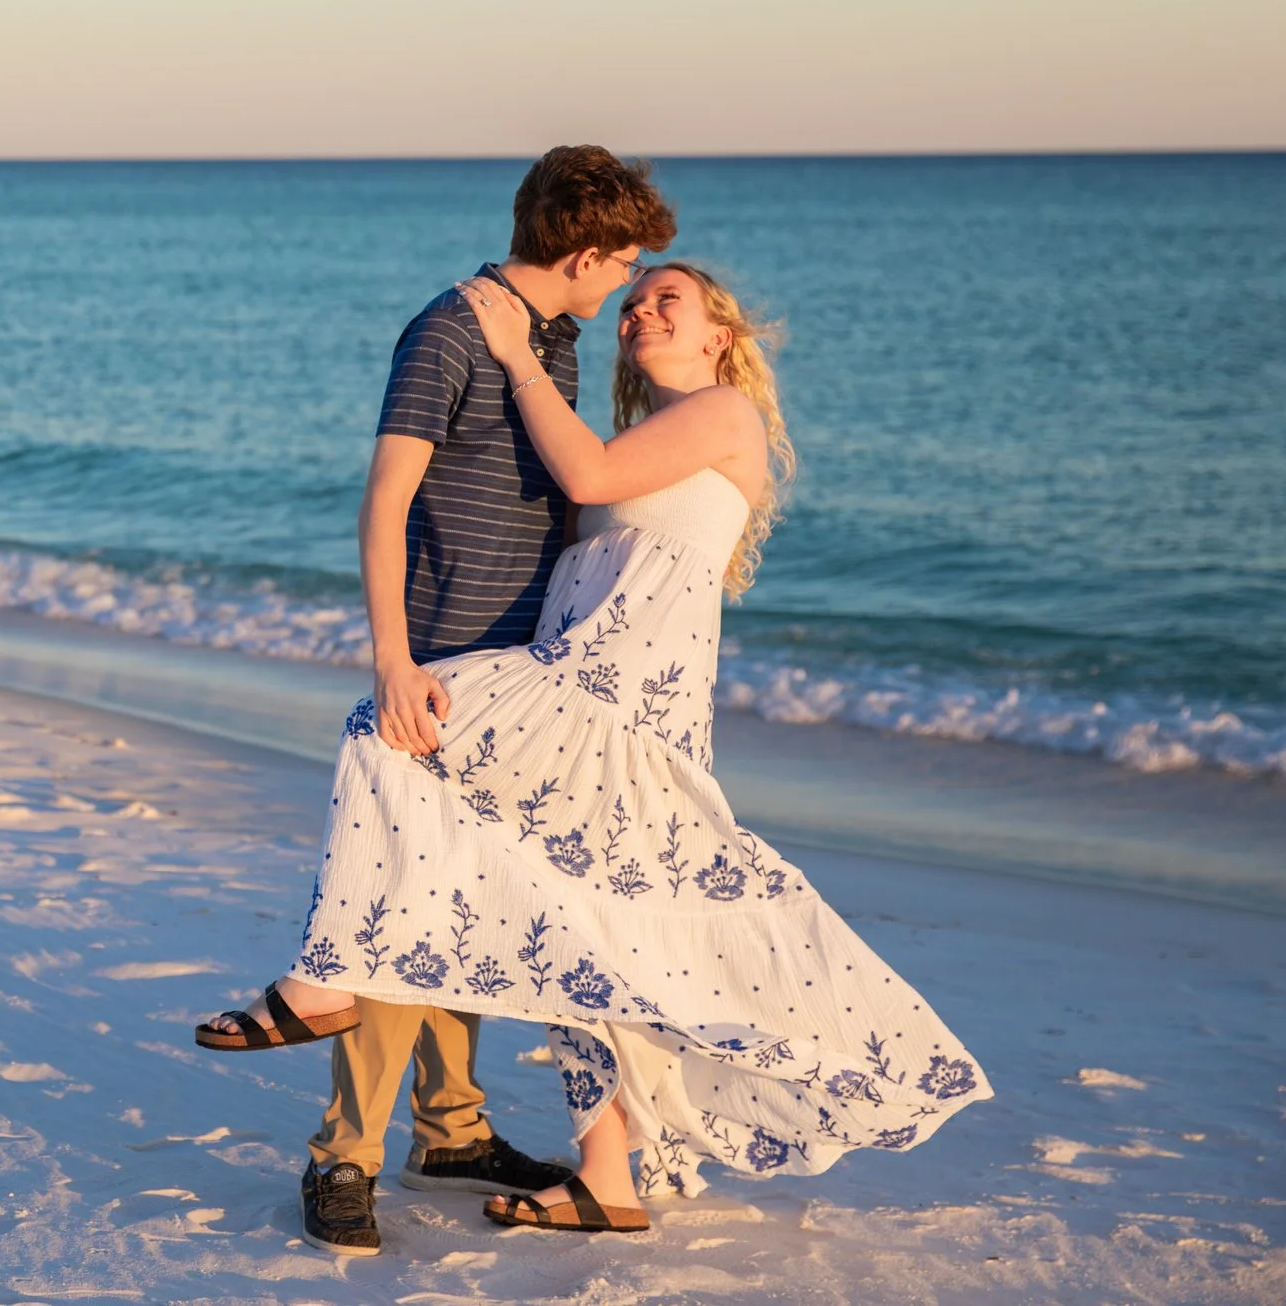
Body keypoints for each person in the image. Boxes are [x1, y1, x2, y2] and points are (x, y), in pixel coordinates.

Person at [268, 260, 993, 1239]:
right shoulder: (646, 436)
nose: (640, 309)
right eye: (634, 297)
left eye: (669, 298)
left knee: (388, 735)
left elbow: (587, 477)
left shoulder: (724, 412)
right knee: (595, 933)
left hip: (614, 703)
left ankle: (325, 990)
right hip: (585, 688)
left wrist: (516, 351)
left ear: (718, 336)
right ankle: (604, 1174)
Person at [193, 146, 680, 1256]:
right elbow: (385, 495)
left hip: (521, 673)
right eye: (622, 266)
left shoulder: (541, 340)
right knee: (394, 908)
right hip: (441, 666)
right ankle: (342, 1161)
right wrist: (391, 658)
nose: (619, 289)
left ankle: (453, 1131)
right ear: (585, 249)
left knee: (461, 907)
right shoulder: (451, 328)